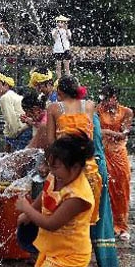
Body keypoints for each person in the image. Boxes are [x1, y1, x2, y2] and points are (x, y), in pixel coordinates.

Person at [16, 132, 95, 267]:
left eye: (56, 167)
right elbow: (46, 193)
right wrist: (30, 212)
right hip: (53, 249)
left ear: (75, 166)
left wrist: (27, 209)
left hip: (71, 257)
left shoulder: (77, 196)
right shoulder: (56, 176)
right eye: (50, 165)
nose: (51, 171)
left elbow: (51, 224)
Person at [47, 75, 101, 226]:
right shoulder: (90, 105)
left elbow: (51, 142)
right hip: (88, 168)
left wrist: (48, 164)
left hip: (65, 168)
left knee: (64, 220)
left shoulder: (53, 108)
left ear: (60, 92)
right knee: (84, 220)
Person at [97, 85, 133, 242]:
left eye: (107, 99)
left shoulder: (126, 112)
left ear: (115, 98)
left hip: (119, 154)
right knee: (104, 187)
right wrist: (112, 133)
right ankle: (107, 225)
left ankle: (122, 226)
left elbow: (125, 133)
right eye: (103, 99)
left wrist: (117, 134)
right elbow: (97, 131)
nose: (105, 102)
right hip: (104, 152)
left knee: (122, 188)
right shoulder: (98, 110)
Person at [91, 113, 120, 266]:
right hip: (96, 165)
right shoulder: (92, 112)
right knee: (100, 216)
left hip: (90, 167)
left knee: (99, 215)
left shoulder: (59, 110)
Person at [0, 73, 31, 151]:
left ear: (6, 85)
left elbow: (11, 120)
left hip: (20, 134)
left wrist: (11, 139)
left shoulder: (5, 97)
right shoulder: (14, 95)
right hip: (27, 130)